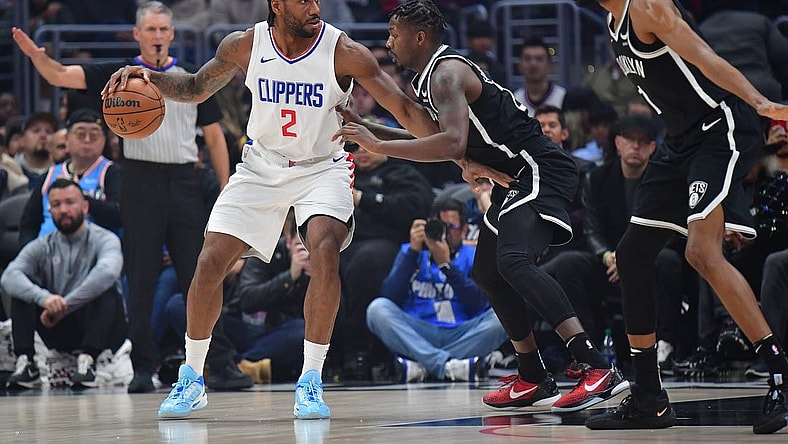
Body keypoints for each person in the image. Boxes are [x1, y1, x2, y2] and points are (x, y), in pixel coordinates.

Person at [103, 0, 451, 421]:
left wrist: (460, 150)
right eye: (303, 0)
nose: (315, 7)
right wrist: (149, 78)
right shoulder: (244, 45)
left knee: (323, 251)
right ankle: (192, 376)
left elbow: (407, 111)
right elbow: (195, 87)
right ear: (277, 4)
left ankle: (310, 379)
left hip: (324, 167)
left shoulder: (344, 51)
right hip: (261, 165)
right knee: (210, 261)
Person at [334, 0, 628, 413]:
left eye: (393, 35)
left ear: (419, 37)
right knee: (487, 272)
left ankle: (597, 366)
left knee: (513, 262)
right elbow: (422, 129)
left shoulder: (448, 73)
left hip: (539, 169)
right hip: (515, 177)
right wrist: (367, 128)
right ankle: (531, 374)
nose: (389, 42)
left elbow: (451, 143)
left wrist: (381, 145)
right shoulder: (431, 78)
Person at [574, 0, 788, 434]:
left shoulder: (649, 8)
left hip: (720, 126)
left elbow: (707, 57)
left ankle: (780, 374)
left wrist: (762, 103)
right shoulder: (612, 21)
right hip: (679, 140)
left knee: (702, 254)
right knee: (632, 255)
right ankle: (649, 397)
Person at [12, 2, 242, 394]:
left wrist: (226, 189)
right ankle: (141, 365)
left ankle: (216, 360)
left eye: (163, 29)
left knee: (202, 275)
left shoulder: (192, 78)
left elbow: (216, 137)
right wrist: (41, 61)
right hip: (138, 179)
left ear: (171, 34)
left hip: (186, 179)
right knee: (140, 277)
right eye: (150, 29)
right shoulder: (118, 75)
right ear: (137, 35)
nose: (156, 35)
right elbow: (64, 75)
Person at [0, 178, 127, 389]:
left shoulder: (105, 239)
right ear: (49, 210)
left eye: (70, 202)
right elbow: (9, 276)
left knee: (105, 287)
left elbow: (108, 271)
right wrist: (46, 299)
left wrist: (64, 305)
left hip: (101, 328)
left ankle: (89, 361)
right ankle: (26, 363)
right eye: (56, 205)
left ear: (85, 207)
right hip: (59, 326)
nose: (63, 210)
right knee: (22, 288)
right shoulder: (43, 244)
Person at [367, 197, 508, 382]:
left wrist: (446, 266)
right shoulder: (411, 251)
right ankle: (452, 366)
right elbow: (390, 295)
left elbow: (478, 304)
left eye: (451, 227)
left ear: (465, 230)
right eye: (439, 225)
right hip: (419, 331)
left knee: (504, 316)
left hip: (462, 332)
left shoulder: (473, 254)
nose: (444, 232)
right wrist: (412, 254)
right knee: (377, 309)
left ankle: (423, 365)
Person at [337, 144, 433, 380]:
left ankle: (363, 350)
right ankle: (332, 352)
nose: (361, 151)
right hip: (345, 244)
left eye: (366, 145)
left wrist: (363, 199)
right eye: (355, 147)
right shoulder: (342, 172)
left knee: (367, 262)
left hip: (389, 243)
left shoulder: (400, 172)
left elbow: (418, 206)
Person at [19, 108, 121, 246]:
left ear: (103, 140)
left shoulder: (112, 173)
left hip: (94, 254)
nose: (87, 140)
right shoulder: (49, 175)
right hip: (46, 253)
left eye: (94, 135)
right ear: (67, 139)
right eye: (80, 134)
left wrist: (78, 196)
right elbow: (28, 223)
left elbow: (118, 216)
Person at [512, 36, 567, 116]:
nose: (533, 64)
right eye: (528, 59)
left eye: (539, 59)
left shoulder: (563, 98)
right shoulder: (514, 101)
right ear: (520, 66)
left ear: (549, 65)